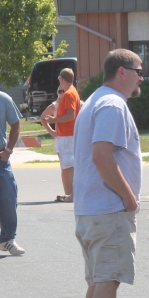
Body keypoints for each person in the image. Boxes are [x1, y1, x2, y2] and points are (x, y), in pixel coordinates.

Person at [73, 49, 144, 298]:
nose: (142, 76)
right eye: (138, 70)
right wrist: (129, 197)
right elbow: (102, 155)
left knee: (98, 282)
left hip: (92, 209)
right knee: (106, 282)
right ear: (121, 72)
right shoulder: (113, 105)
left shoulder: (95, 100)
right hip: (108, 209)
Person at [45, 68, 80, 202]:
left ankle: (70, 195)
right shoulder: (71, 92)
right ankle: (71, 194)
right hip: (67, 135)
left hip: (67, 135)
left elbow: (71, 115)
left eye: (59, 78)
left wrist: (54, 120)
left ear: (62, 79)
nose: (59, 80)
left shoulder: (69, 93)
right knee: (69, 166)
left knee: (67, 167)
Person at [0, 90, 24, 256]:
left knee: (9, 196)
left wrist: (8, 151)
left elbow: (15, 125)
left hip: (1, 158)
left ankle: (7, 239)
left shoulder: (4, 99)